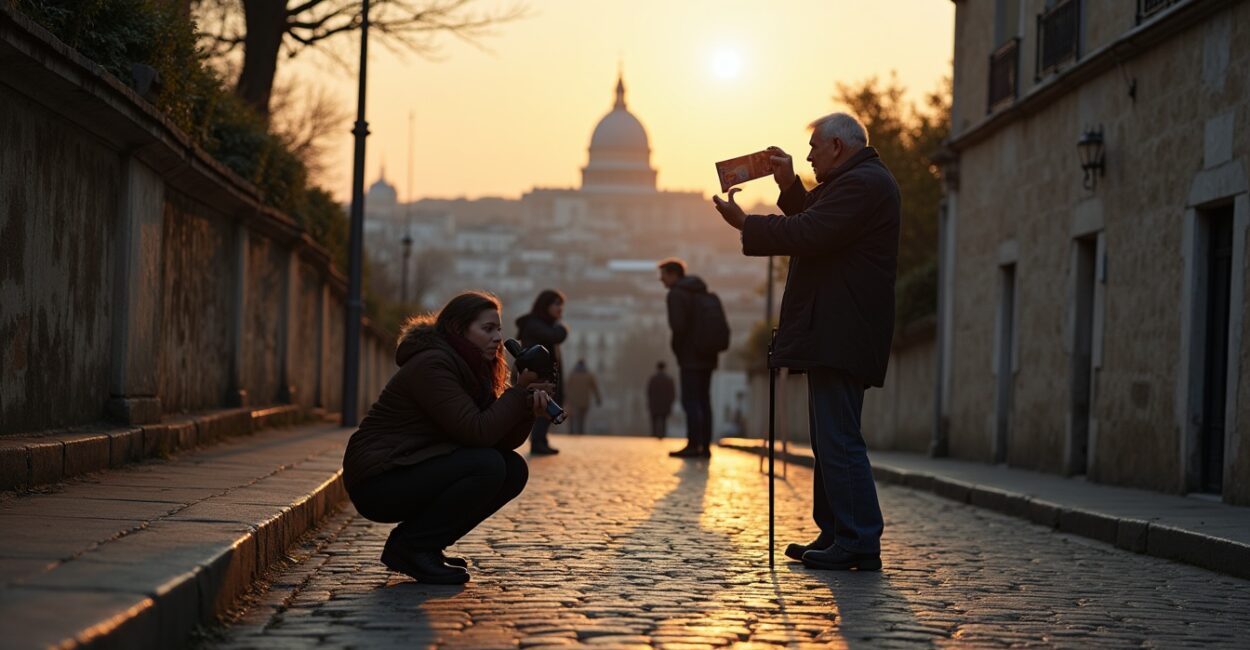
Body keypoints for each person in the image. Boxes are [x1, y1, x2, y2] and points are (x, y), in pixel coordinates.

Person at [711, 112, 899, 572]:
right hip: (837, 328)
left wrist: (746, 224)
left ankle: (857, 538)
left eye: (814, 147)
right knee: (829, 437)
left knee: (839, 438)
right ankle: (838, 531)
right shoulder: (857, 182)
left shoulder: (863, 185)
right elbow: (819, 221)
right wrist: (789, 184)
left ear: (838, 145)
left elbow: (812, 233)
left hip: (841, 329)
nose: (810, 155)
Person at [342, 292, 554, 584]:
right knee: (488, 465)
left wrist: (528, 408)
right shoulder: (433, 365)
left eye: (499, 329)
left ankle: (425, 545)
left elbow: (499, 440)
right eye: (487, 329)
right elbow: (477, 431)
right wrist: (518, 393)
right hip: (379, 477)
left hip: (413, 465)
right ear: (458, 329)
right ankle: (412, 547)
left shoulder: (474, 366)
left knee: (513, 469)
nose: (498, 339)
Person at [658, 258, 719, 458]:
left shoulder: (676, 295)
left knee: (690, 400)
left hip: (690, 357)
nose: (661, 280)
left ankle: (693, 444)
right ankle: (705, 446)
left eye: (664, 275)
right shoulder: (702, 293)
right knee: (704, 400)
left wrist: (678, 350)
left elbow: (678, 327)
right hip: (708, 356)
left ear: (674, 274)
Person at [516, 289, 568, 455]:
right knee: (543, 406)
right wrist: (561, 327)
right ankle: (537, 442)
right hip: (539, 375)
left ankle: (541, 440)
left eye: (561, 304)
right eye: (556, 304)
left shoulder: (541, 323)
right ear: (545, 305)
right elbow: (555, 336)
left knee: (550, 405)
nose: (560, 308)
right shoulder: (536, 324)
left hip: (546, 374)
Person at [563, 359, 602, 434]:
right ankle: (580, 431)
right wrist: (598, 398)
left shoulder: (572, 375)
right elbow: (595, 388)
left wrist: (565, 398)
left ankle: (572, 431)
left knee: (572, 417)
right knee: (581, 418)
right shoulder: (589, 375)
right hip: (584, 401)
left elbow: (566, 387)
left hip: (573, 401)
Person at [646, 361, 676, 439]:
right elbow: (672, 393)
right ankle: (663, 434)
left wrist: (650, 401)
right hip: (665, 404)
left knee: (654, 420)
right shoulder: (668, 379)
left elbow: (649, 391)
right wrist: (670, 402)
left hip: (655, 403)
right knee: (663, 420)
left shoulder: (653, 379)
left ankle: (654, 434)